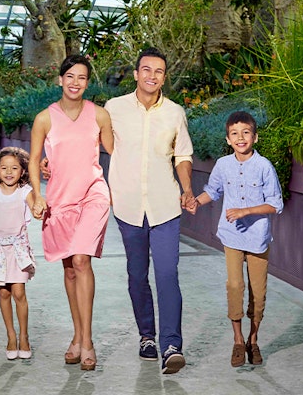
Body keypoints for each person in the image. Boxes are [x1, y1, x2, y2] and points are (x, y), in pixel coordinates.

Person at [104, 47, 195, 375]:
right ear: (136, 74)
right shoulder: (114, 109)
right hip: (127, 205)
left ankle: (172, 344)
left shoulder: (174, 113)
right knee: (137, 274)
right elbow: (94, 143)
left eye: (158, 71)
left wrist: (186, 189)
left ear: (164, 77)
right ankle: (147, 336)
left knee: (167, 273)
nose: (152, 76)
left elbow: (182, 156)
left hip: (165, 205)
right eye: (146, 69)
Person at [28, 54, 113, 371]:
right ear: (60, 80)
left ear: (87, 83)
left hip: (94, 193)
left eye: (82, 78)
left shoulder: (100, 115)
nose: (76, 82)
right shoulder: (44, 119)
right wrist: (37, 195)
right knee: (68, 268)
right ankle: (76, 337)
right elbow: (35, 160)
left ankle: (87, 341)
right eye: (71, 76)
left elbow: (116, 153)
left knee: (81, 259)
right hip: (60, 199)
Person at [185, 111, 283, 367]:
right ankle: (238, 340)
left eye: (246, 133)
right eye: (234, 134)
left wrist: (247, 211)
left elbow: (276, 204)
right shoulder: (223, 164)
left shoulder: (264, 166)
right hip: (231, 237)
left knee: (258, 295)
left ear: (255, 137)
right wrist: (196, 201)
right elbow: (213, 191)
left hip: (258, 238)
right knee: (235, 287)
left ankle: (253, 339)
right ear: (228, 139)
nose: (241, 138)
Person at [0, 146, 38, 360]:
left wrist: (40, 209)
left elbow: (34, 208)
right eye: (4, 167)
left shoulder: (25, 192)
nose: (9, 172)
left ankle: (24, 337)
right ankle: (11, 336)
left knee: (19, 292)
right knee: (4, 292)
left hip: (18, 249)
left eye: (14, 168)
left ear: (22, 171)